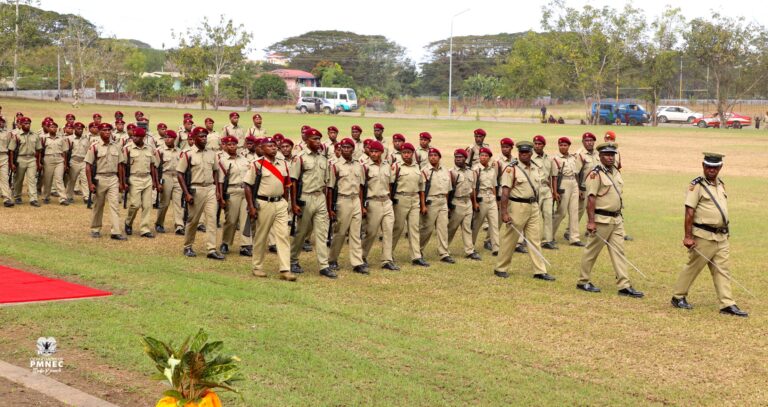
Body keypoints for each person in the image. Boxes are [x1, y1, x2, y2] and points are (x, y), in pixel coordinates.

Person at [671, 153, 748, 317]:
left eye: (715, 167)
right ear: (703, 166)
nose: (711, 169)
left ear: (720, 167)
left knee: (723, 270)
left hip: (721, 237)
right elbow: (689, 211)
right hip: (703, 236)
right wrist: (688, 236)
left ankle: (727, 304)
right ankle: (678, 297)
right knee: (693, 267)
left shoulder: (721, 185)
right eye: (708, 166)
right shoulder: (696, 185)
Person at [578, 142, 643, 298]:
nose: (610, 157)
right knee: (591, 252)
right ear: (600, 156)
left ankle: (624, 285)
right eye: (607, 155)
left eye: (612, 154)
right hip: (601, 219)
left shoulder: (615, 172)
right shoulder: (595, 174)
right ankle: (583, 281)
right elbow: (591, 199)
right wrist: (591, 221)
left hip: (616, 219)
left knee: (619, 252)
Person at [493, 141, 555, 281]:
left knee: (534, 240)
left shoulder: (536, 168)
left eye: (526, 152)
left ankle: (539, 271)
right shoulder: (511, 169)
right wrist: (504, 212)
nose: (524, 155)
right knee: (510, 239)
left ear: (531, 153)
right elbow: (505, 191)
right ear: (518, 153)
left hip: (533, 206)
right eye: (521, 152)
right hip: (517, 206)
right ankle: (501, 268)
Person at [244, 137, 296, 281]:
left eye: (274, 145)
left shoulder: (284, 164)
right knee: (261, 236)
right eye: (269, 146)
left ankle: (285, 269)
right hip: (263, 203)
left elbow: (287, 185)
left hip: (280, 203)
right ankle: (257, 266)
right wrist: (251, 206)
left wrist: (286, 202)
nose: (273, 148)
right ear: (262, 148)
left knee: (283, 235)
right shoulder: (257, 165)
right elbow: (247, 185)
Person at [289, 128, 335, 278]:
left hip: (320, 197)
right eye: (314, 139)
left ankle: (324, 266)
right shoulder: (300, 158)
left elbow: (328, 184)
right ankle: (293, 260)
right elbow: (293, 182)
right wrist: (295, 203)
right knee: (302, 232)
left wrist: (328, 207)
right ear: (307, 140)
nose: (318, 142)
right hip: (305, 198)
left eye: (319, 139)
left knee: (322, 234)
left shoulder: (324, 159)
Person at [177, 127, 224, 260]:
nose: (204, 138)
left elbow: (216, 171)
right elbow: (180, 173)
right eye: (201, 136)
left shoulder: (212, 153)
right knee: (193, 220)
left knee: (212, 219)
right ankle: (188, 246)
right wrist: (186, 193)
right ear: (195, 137)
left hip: (210, 189)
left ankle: (211, 249)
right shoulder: (188, 154)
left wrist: (217, 190)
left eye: (205, 136)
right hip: (195, 189)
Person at [327, 138, 368, 274]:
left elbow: (361, 187)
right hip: (342, 200)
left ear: (353, 149)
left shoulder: (359, 165)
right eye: (343, 147)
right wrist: (330, 208)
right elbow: (331, 188)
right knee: (340, 232)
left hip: (355, 199)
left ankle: (357, 263)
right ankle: (332, 259)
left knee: (356, 233)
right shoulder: (335, 165)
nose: (345, 150)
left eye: (348, 147)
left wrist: (361, 205)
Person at [361, 140, 399, 270]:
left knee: (388, 231)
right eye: (371, 151)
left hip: (386, 201)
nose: (373, 154)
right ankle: (362, 256)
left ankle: (387, 260)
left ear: (381, 152)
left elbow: (390, 183)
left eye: (376, 151)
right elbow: (362, 187)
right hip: (373, 202)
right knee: (371, 232)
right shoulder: (365, 166)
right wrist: (363, 206)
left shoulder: (387, 165)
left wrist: (390, 198)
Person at [85, 123, 125, 240]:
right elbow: (88, 166)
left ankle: (116, 232)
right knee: (98, 205)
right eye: (105, 130)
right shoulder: (95, 146)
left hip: (113, 178)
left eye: (109, 130)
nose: (108, 132)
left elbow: (120, 165)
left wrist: (121, 182)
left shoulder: (116, 146)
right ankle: (95, 228)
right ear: (100, 132)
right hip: (100, 178)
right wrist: (90, 183)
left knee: (115, 205)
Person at [391, 142, 428, 266]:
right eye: (403, 153)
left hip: (415, 199)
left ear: (413, 154)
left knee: (414, 228)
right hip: (401, 199)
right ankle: (388, 253)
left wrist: (423, 205)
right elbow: (390, 186)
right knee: (398, 228)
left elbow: (422, 188)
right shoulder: (396, 167)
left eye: (408, 153)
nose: (406, 155)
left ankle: (416, 257)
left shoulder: (418, 168)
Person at [217, 136, 253, 257]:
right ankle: (226, 242)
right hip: (232, 190)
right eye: (229, 144)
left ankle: (245, 245)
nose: (232, 146)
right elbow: (221, 181)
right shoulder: (222, 161)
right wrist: (221, 197)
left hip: (245, 191)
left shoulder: (244, 159)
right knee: (231, 220)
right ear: (225, 146)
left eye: (234, 144)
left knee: (245, 219)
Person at [120, 128, 159, 238]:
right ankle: (128, 222)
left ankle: (144, 229)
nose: (134, 138)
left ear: (143, 138)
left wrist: (155, 181)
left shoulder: (149, 149)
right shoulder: (127, 148)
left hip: (147, 178)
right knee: (135, 204)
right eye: (133, 136)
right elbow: (122, 166)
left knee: (147, 205)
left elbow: (153, 166)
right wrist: (123, 182)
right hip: (134, 178)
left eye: (137, 137)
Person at [419, 147, 455, 264]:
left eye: (435, 155)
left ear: (439, 157)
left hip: (442, 201)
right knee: (427, 229)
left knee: (443, 228)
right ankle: (418, 250)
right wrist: (423, 205)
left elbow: (447, 190)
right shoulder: (425, 171)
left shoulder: (445, 170)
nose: (432, 157)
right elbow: (422, 191)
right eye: (430, 155)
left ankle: (444, 253)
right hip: (431, 202)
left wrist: (447, 204)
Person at [447, 148, 480, 260]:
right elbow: (448, 191)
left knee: (467, 228)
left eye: (460, 157)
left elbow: (473, 189)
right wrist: (448, 206)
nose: (458, 159)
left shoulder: (471, 172)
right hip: (457, 202)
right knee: (452, 228)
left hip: (468, 202)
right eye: (456, 157)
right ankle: (444, 247)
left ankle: (469, 251)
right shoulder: (451, 172)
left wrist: (474, 202)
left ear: (465, 158)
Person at [552, 137, 585, 246]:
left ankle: (574, 238)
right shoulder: (556, 159)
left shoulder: (572, 158)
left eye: (565, 145)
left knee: (574, 211)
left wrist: (579, 187)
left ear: (568, 146)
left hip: (573, 183)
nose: (563, 147)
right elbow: (554, 177)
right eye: (561, 145)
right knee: (561, 212)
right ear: (558, 146)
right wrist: (555, 191)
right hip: (563, 183)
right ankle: (549, 235)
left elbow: (576, 173)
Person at [155, 130, 184, 235]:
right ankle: (159, 223)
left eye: (170, 137)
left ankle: (179, 226)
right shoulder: (160, 151)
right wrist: (158, 182)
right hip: (165, 176)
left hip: (177, 177)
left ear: (174, 139)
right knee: (164, 202)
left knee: (178, 203)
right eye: (165, 137)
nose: (167, 139)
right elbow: (156, 167)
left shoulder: (180, 152)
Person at [471, 147, 499, 256]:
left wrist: (495, 200)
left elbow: (494, 186)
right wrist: (475, 202)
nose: (483, 157)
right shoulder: (475, 170)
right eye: (481, 155)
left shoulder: (492, 170)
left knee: (494, 224)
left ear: (489, 158)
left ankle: (496, 247)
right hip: (481, 197)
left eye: (486, 156)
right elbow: (473, 188)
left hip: (491, 198)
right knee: (477, 224)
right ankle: (471, 246)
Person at [532, 135, 557, 250]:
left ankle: (548, 240)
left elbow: (553, 176)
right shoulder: (529, 157)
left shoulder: (549, 159)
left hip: (546, 189)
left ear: (543, 145)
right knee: (533, 216)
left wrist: (554, 191)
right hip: (534, 189)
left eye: (539, 144)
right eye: (535, 143)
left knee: (548, 215)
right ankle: (531, 240)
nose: (537, 146)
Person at [12, 117, 42, 206]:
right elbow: (11, 151)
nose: (27, 125)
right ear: (20, 124)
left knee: (32, 179)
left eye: (28, 123)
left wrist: (38, 162)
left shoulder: (35, 135)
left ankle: (33, 199)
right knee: (19, 179)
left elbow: (39, 150)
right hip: (20, 159)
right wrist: (12, 163)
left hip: (32, 159)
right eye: (25, 123)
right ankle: (17, 196)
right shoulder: (16, 135)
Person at [573, 132, 597, 236]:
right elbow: (576, 173)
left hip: (596, 186)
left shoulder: (597, 153)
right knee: (580, 210)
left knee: (594, 209)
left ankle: (589, 229)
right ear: (583, 142)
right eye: (586, 141)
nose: (589, 143)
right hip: (584, 187)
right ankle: (569, 230)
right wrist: (578, 189)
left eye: (591, 141)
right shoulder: (580, 155)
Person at [40, 122, 69, 205]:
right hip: (48, 159)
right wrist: (40, 162)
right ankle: (46, 196)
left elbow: (64, 152)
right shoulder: (44, 138)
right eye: (52, 127)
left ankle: (63, 198)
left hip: (59, 159)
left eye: (55, 127)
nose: (53, 129)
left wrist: (65, 163)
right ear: (48, 128)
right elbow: (40, 151)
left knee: (59, 179)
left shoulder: (61, 138)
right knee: (47, 179)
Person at [65, 122, 90, 204]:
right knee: (72, 180)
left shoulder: (86, 139)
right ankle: (69, 196)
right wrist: (66, 164)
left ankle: (86, 197)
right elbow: (66, 152)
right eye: (78, 129)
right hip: (73, 161)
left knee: (85, 180)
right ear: (74, 129)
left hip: (83, 161)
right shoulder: (69, 139)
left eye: (81, 129)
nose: (80, 130)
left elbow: (88, 151)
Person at [0, 116, 16, 207]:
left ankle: (7, 198)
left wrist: (11, 161)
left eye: (2, 121)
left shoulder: (8, 133)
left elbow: (11, 148)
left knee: (5, 179)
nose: (0, 123)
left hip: (3, 156)